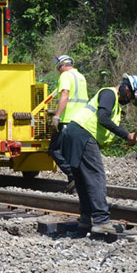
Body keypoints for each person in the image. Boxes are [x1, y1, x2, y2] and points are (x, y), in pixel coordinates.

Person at [61, 73, 137, 234]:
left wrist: (126, 138)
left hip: (75, 133)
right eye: (130, 95)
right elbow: (103, 118)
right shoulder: (109, 94)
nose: (129, 100)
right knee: (96, 177)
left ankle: (86, 219)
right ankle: (101, 220)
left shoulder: (114, 102)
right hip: (83, 134)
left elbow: (105, 128)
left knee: (83, 180)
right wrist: (126, 135)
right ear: (126, 87)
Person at [48, 55, 88, 192]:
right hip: (81, 121)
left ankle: (74, 176)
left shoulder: (65, 76)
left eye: (59, 68)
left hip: (67, 119)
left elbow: (65, 95)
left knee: (54, 149)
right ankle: (75, 183)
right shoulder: (81, 77)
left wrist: (57, 116)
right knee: (72, 153)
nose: (59, 71)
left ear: (62, 65)